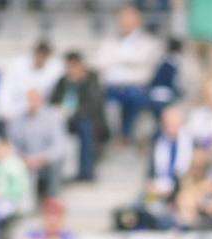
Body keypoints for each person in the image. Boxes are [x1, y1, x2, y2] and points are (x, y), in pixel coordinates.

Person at [98, 4, 161, 141]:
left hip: (136, 88)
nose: (124, 23)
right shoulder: (109, 41)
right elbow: (101, 63)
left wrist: (117, 61)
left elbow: (144, 67)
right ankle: (109, 137)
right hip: (111, 88)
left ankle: (126, 136)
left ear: (137, 21)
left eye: (128, 19)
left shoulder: (149, 42)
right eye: (122, 19)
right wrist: (128, 62)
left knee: (133, 96)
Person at [49, 51, 106, 182]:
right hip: (62, 119)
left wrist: (72, 113)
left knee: (85, 127)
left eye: (74, 66)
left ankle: (86, 172)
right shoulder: (62, 81)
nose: (71, 69)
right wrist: (59, 110)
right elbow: (52, 102)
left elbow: (93, 106)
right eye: (69, 66)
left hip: (85, 119)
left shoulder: (91, 80)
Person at [8, 87, 68, 199]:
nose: (32, 103)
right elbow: (12, 145)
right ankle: (20, 203)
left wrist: (42, 158)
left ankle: (52, 199)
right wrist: (25, 158)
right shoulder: (18, 120)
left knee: (56, 163)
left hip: (46, 159)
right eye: (29, 100)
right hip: (26, 159)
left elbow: (59, 145)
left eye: (35, 99)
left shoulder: (53, 117)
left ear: (42, 100)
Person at [0, 39, 64, 122]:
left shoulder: (56, 68)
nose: (41, 59)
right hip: (18, 112)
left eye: (44, 56)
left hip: (41, 114)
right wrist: (6, 111)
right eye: (39, 55)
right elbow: (5, 91)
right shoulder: (17, 65)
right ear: (35, 53)